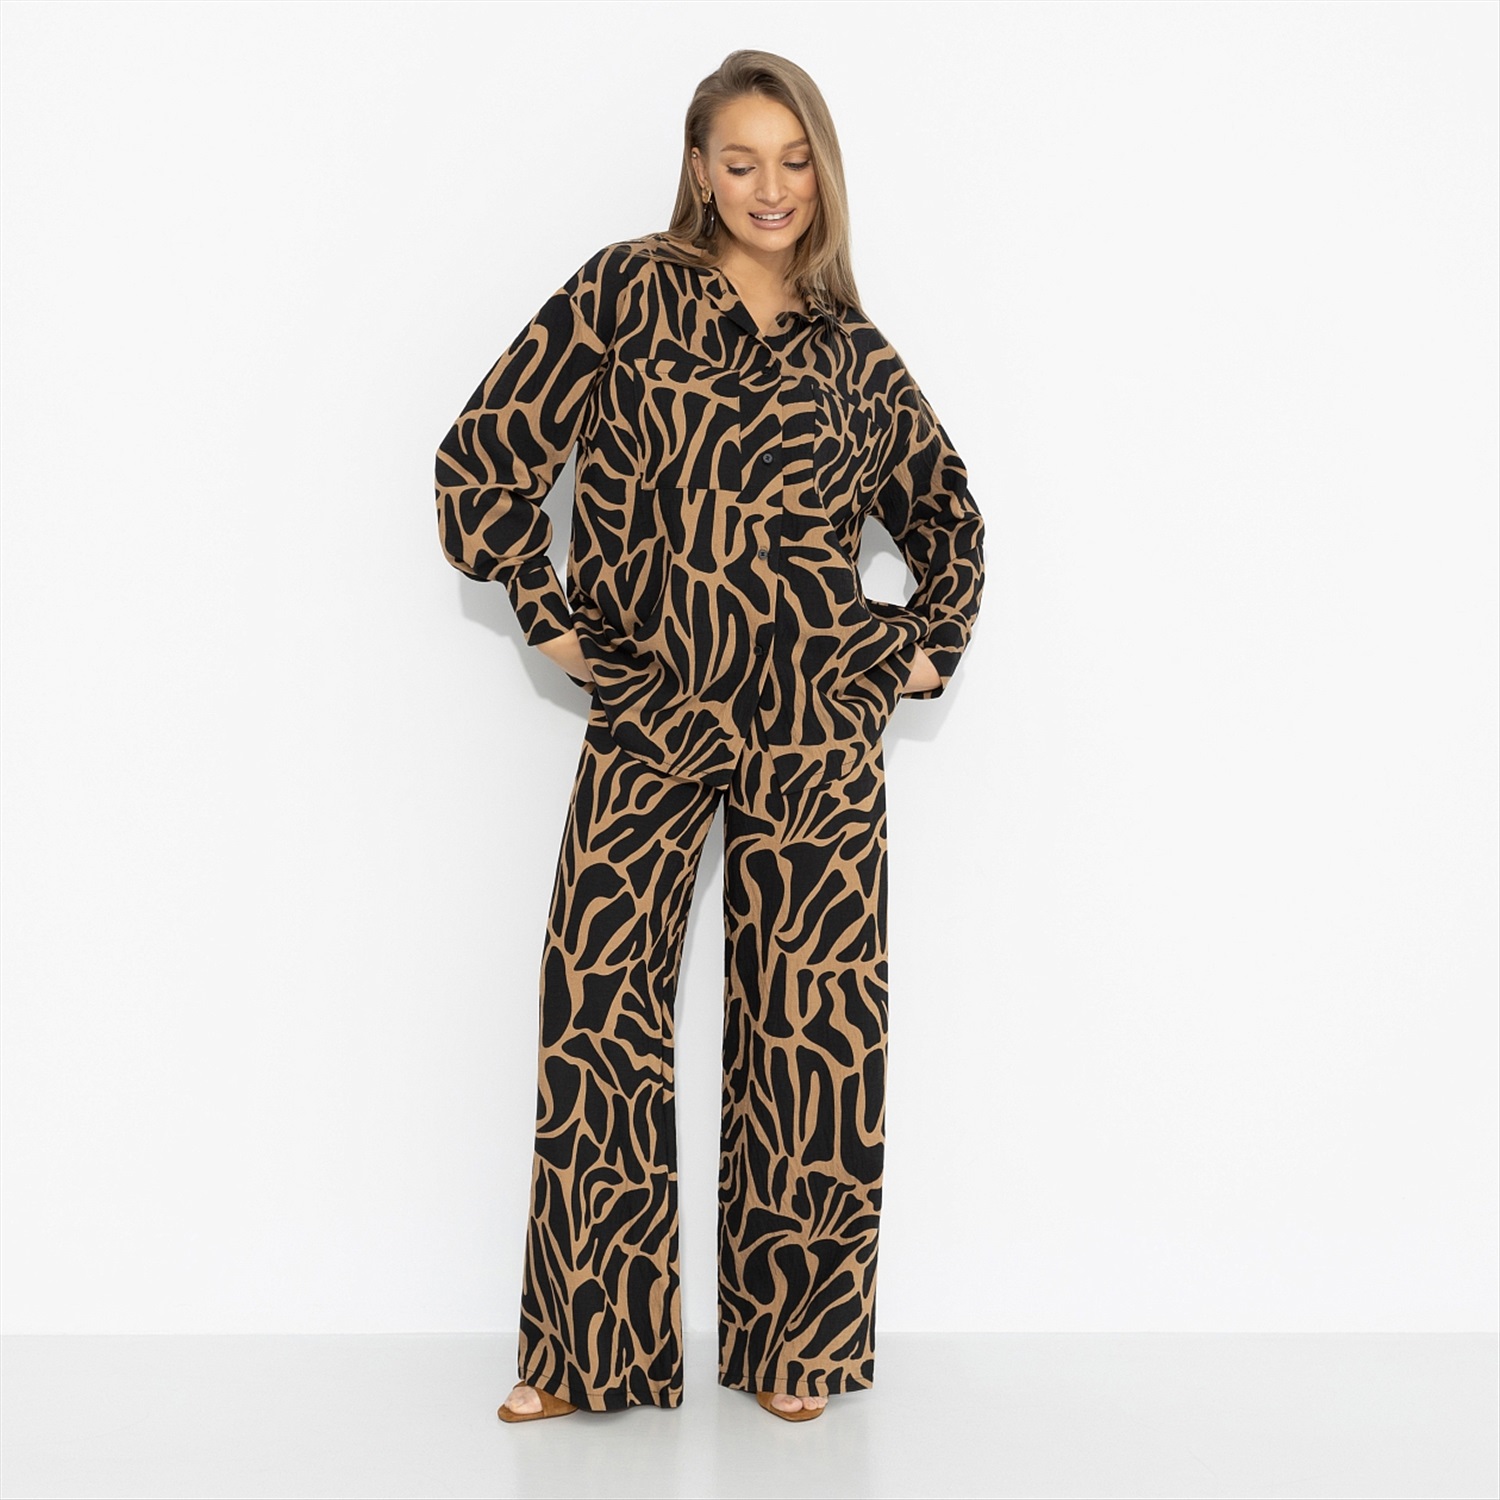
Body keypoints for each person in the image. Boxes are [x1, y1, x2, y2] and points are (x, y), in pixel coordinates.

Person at [433, 48, 985, 1424]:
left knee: (813, 1027)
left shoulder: (853, 352)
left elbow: (948, 515)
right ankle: (585, 1352)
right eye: (740, 161)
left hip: (815, 726)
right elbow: (482, 454)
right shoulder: (626, 292)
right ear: (698, 168)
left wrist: (913, 649)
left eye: (793, 161)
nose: (769, 188)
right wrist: (551, 615)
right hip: (657, 705)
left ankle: (797, 1348)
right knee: (597, 1007)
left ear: (824, 172)